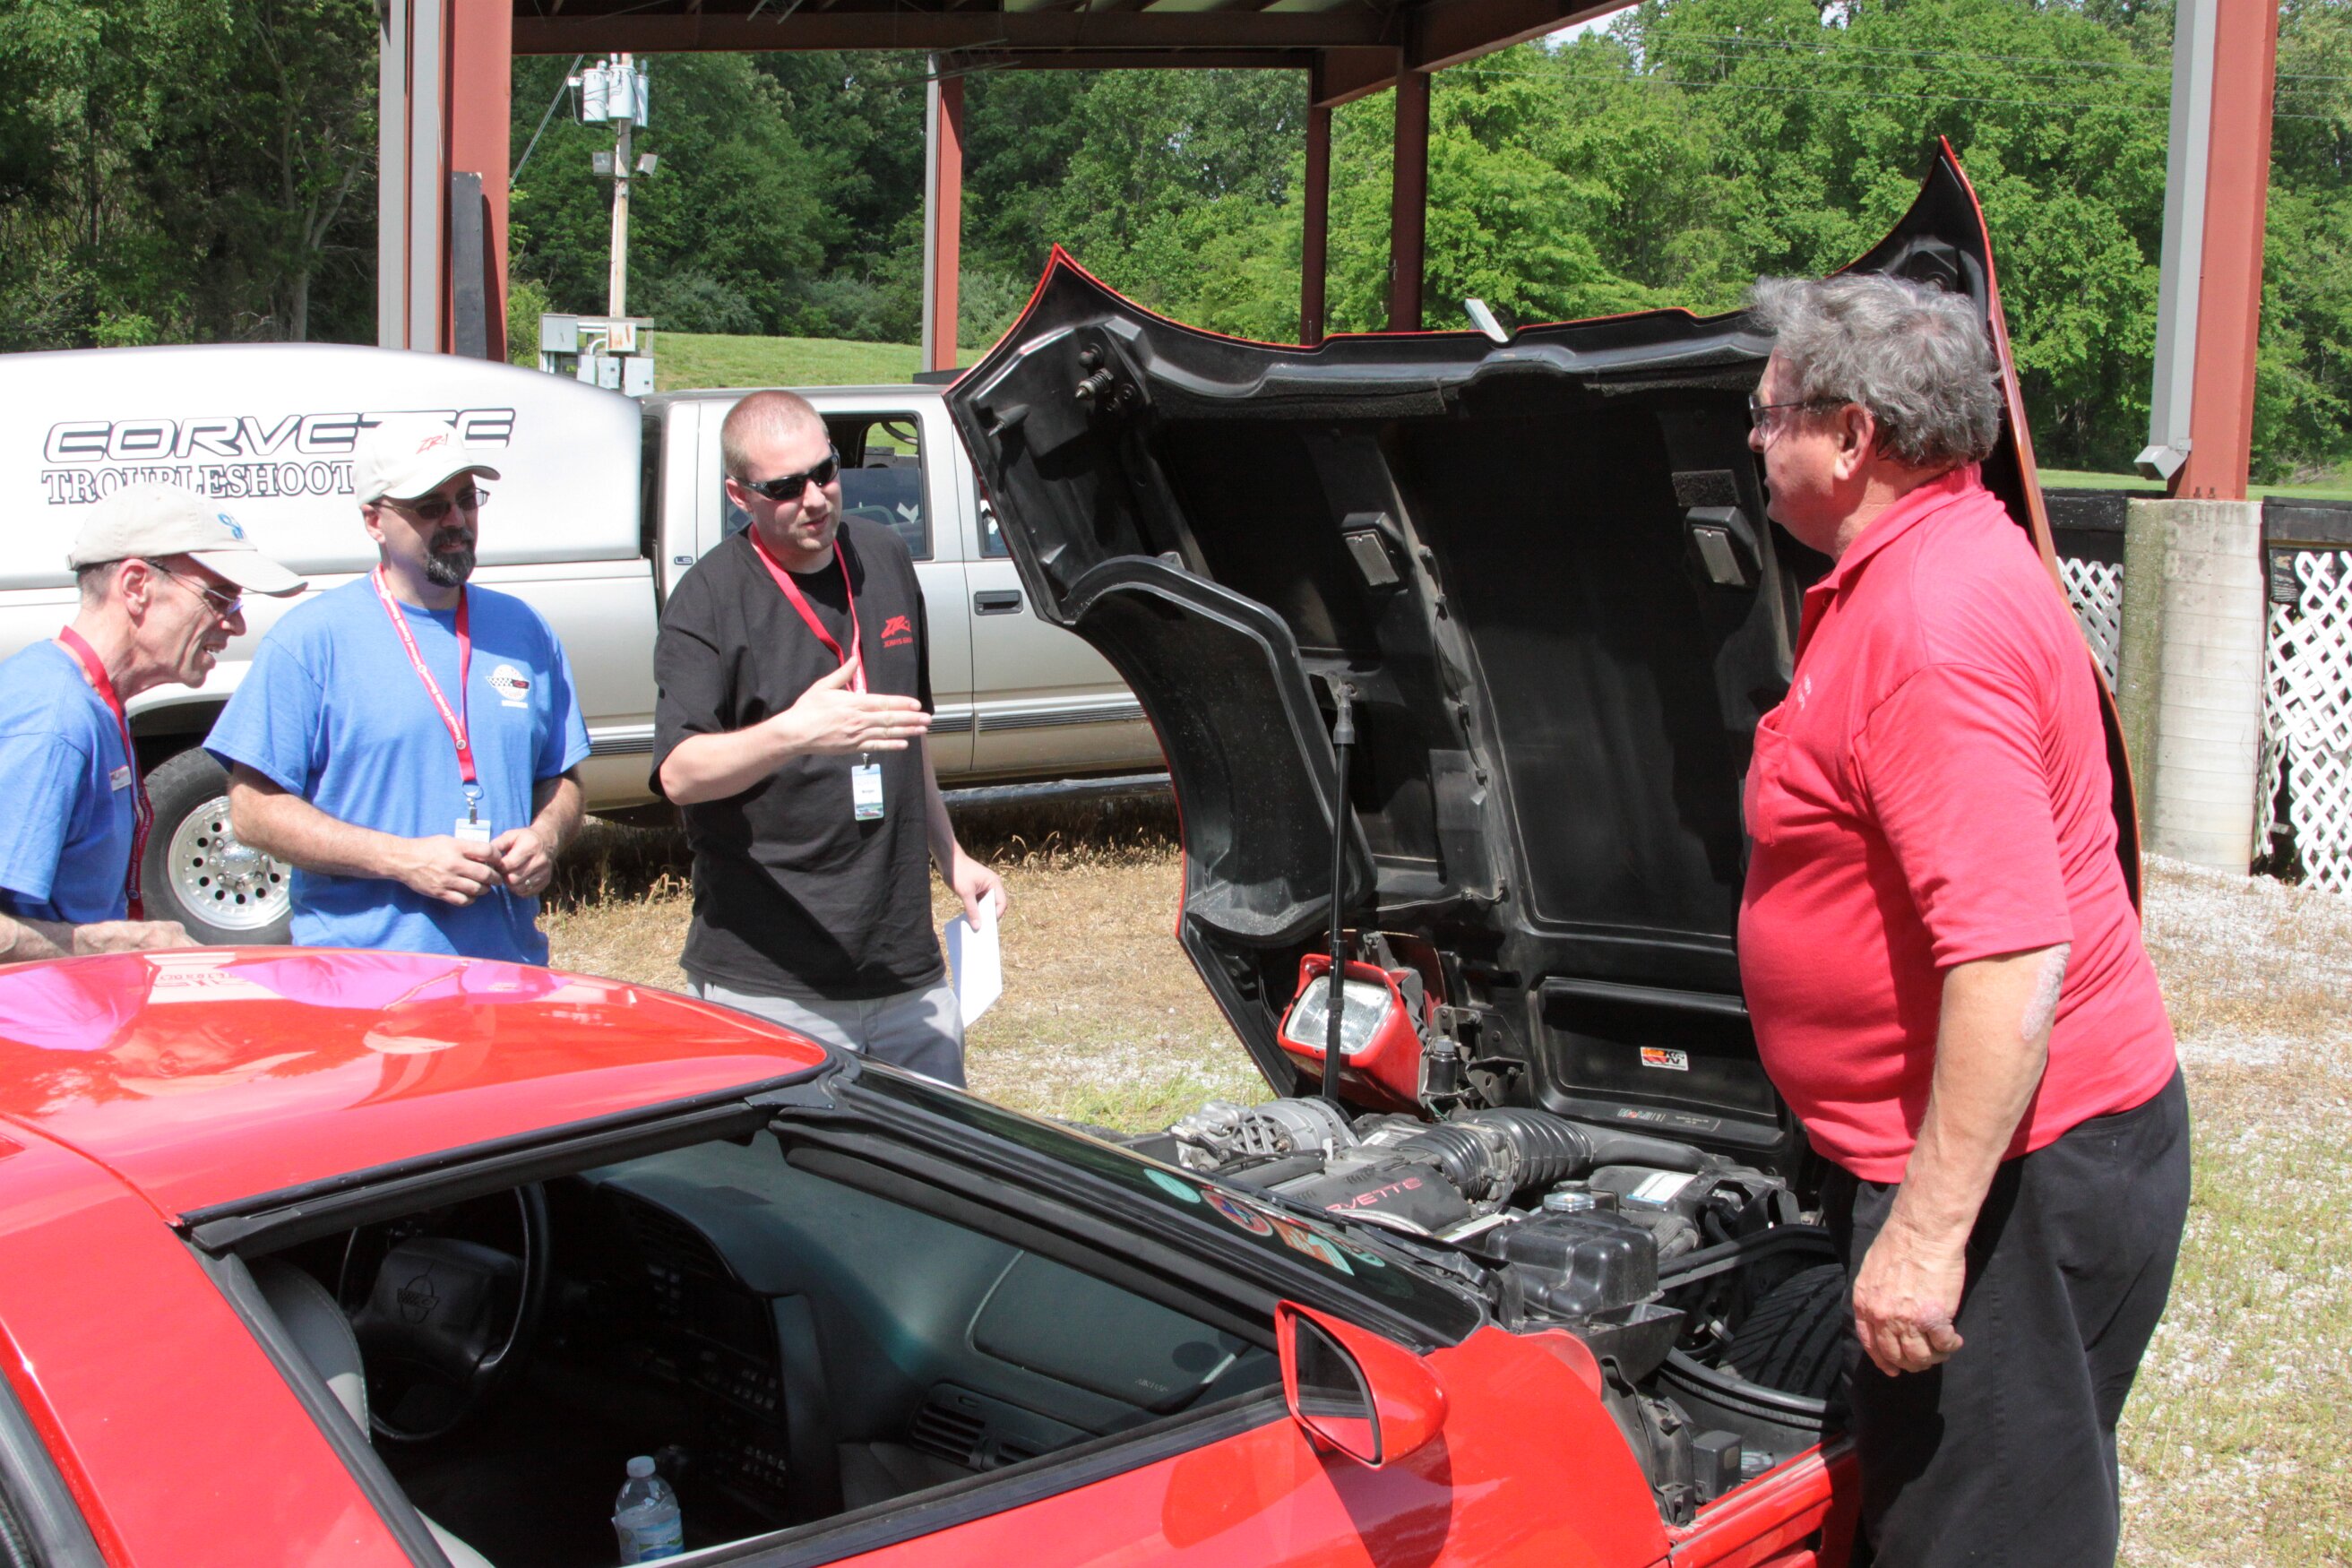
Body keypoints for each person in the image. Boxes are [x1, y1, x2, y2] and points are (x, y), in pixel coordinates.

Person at [1736, 273, 2188, 1567]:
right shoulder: (1926, 560)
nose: (1753, 438)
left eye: (1767, 413)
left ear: (1852, 437)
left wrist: (1929, 1240)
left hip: (2020, 1182)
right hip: (2002, 1158)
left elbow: (2008, 954)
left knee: (1985, 1536)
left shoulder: (1930, 624)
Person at [652, 390, 1005, 1085]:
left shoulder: (882, 556)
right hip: (771, 981)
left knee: (933, 1149)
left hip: (903, 968)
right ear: (739, 495)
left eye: (825, 472)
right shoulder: (709, 597)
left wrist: (952, 856)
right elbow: (679, 775)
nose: (814, 499)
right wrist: (792, 733)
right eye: (785, 487)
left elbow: (907, 736)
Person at [208, 416, 589, 963]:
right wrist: (401, 860)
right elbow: (252, 810)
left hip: (508, 971)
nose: (456, 520)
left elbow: (562, 779)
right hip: (364, 977)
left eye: (467, 500)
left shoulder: (524, 630)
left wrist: (545, 836)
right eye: (430, 506)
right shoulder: (311, 640)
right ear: (374, 521)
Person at [0, 482, 304, 963]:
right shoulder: (53, 721)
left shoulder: (92, 701)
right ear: (136, 586)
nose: (237, 624)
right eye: (220, 598)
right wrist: (115, 944)